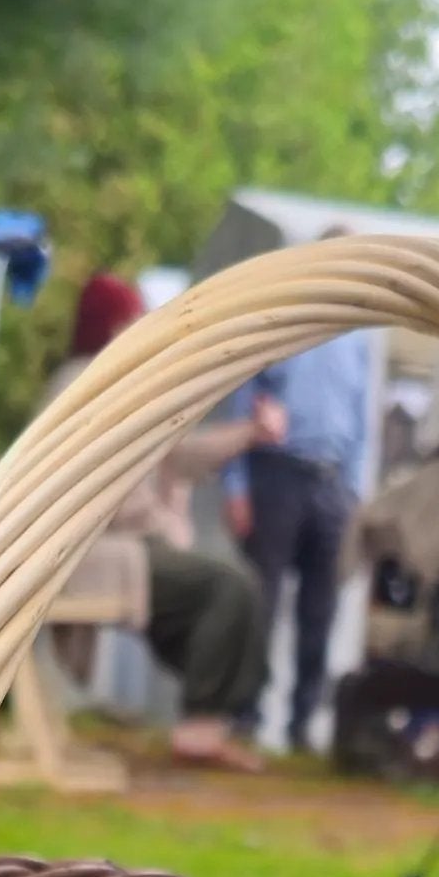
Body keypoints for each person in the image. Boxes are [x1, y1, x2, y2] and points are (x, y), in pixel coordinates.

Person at [45, 273, 283, 772]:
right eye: (133, 319)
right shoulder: (84, 386)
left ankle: (210, 721)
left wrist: (249, 433)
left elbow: (179, 452)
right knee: (227, 587)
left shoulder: (117, 384)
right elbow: (95, 494)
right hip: (98, 551)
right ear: (112, 325)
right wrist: (159, 518)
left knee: (231, 586)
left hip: (133, 544)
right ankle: (199, 731)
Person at [225, 289, 377, 754]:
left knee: (321, 609)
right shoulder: (281, 320)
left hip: (331, 482)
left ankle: (303, 723)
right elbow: (243, 401)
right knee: (261, 601)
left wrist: (354, 495)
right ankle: (245, 716)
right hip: (276, 473)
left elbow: (361, 420)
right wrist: (237, 486)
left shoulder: (358, 339)